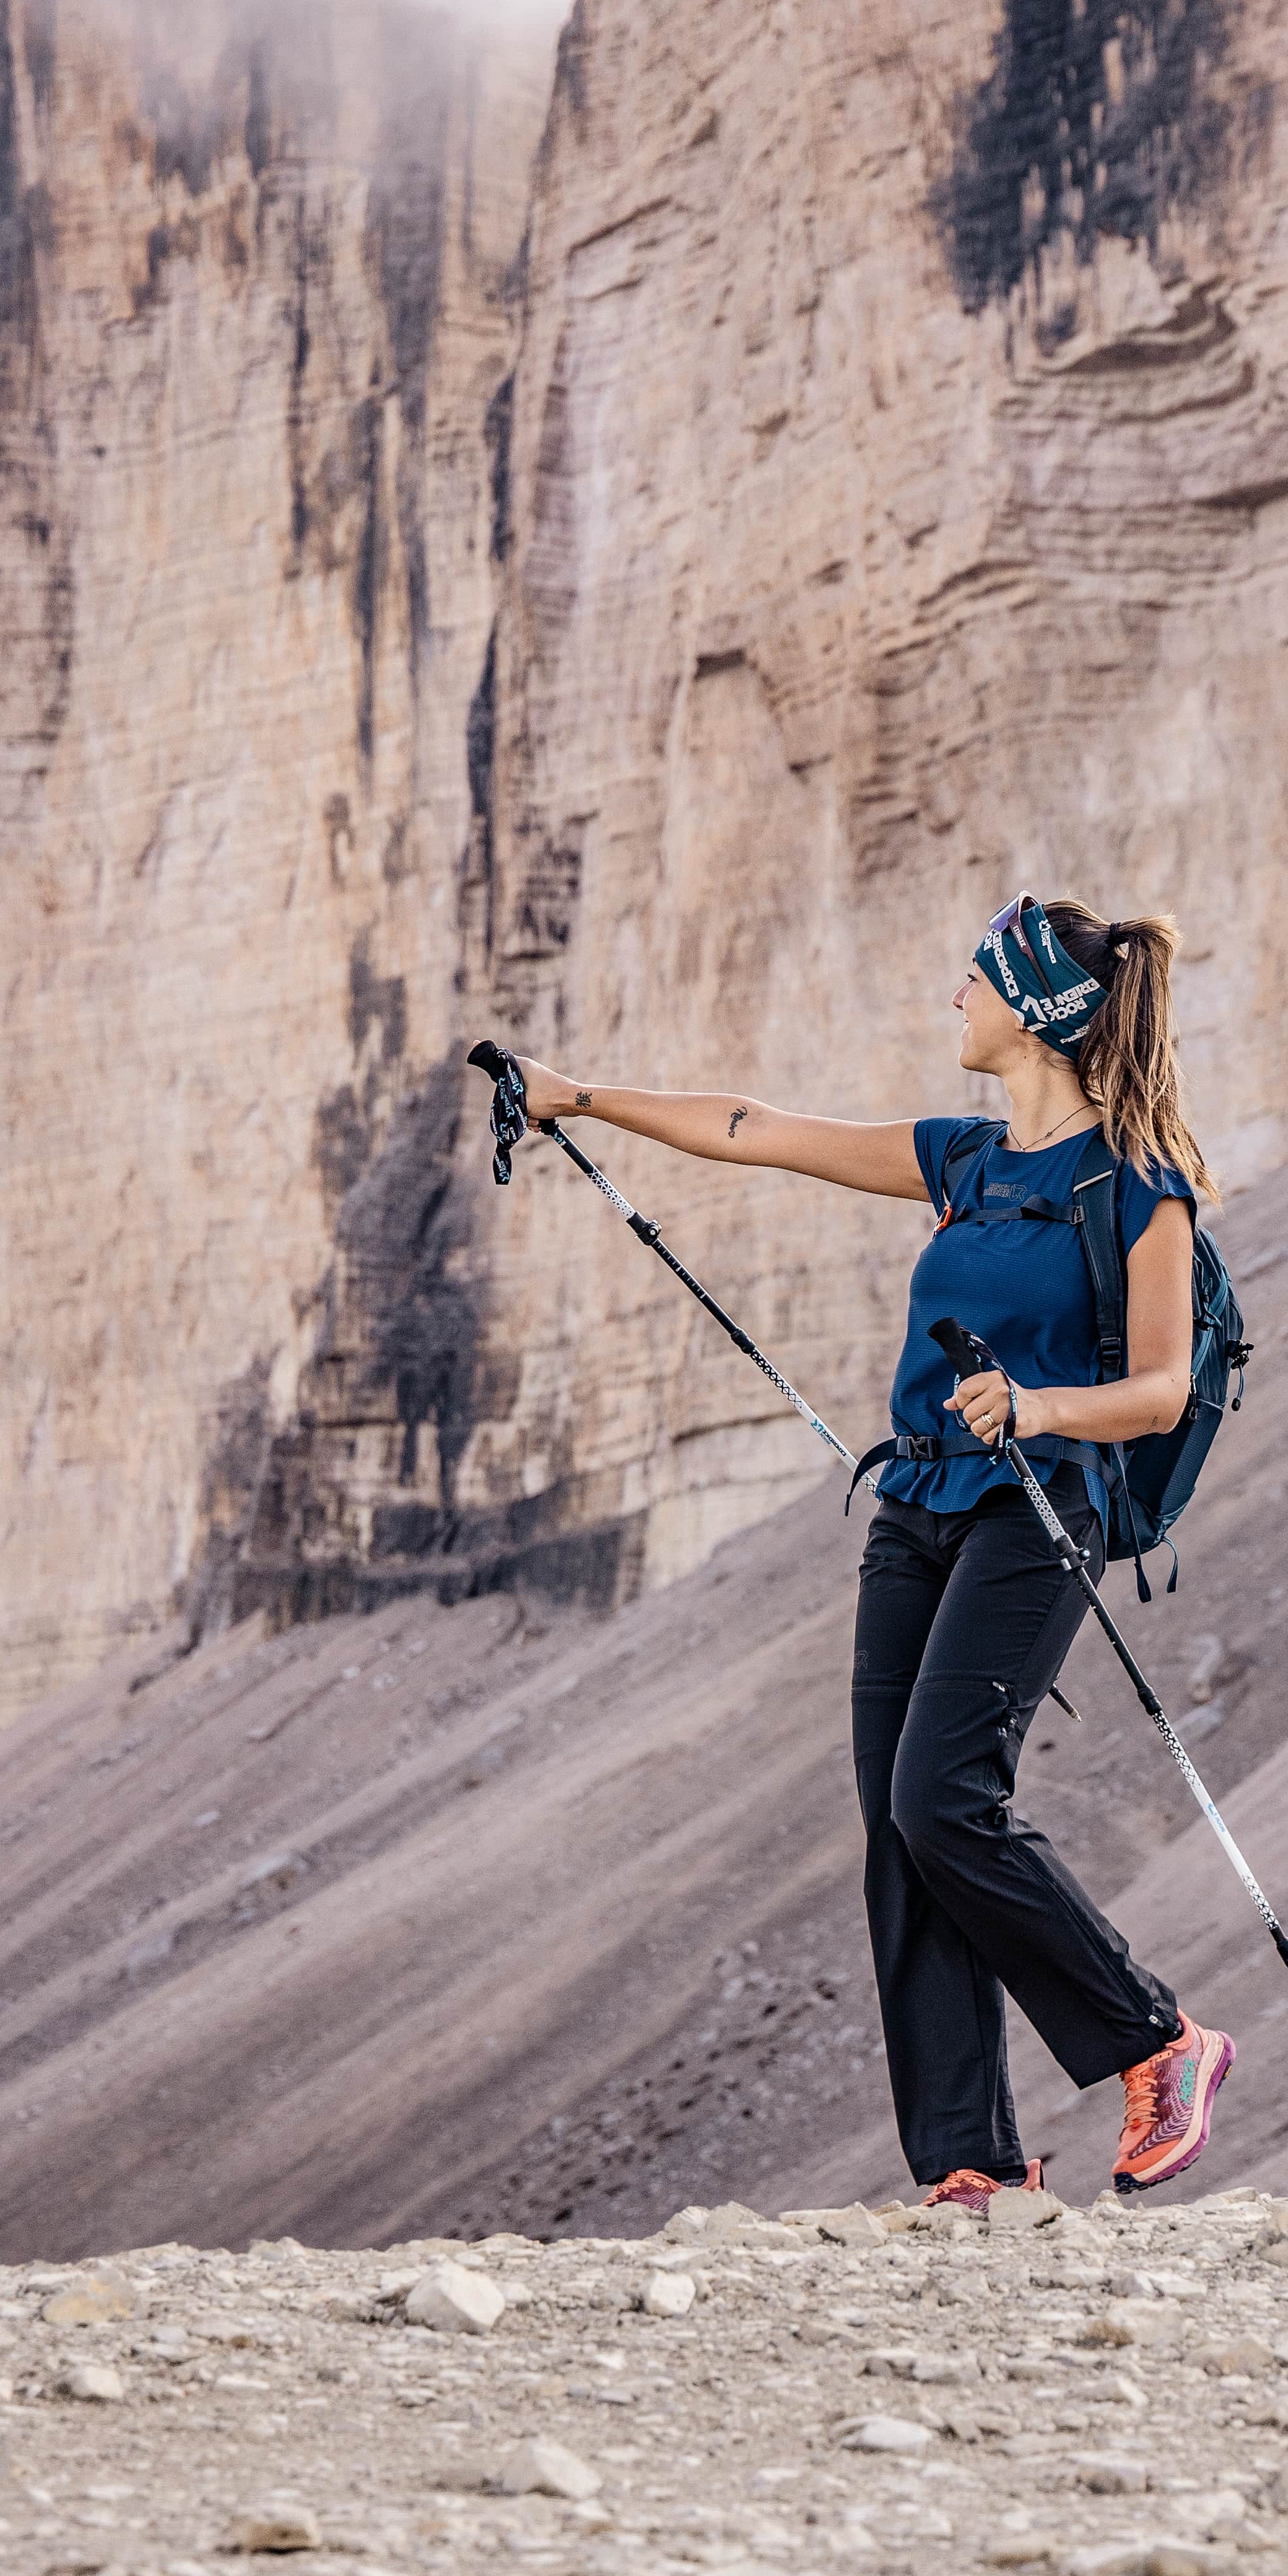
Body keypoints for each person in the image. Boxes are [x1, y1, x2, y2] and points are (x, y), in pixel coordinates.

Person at [499, 894, 1234, 2209]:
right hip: (914, 1510)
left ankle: (1159, 2045)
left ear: (1037, 1012)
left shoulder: (1138, 1185)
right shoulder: (964, 1158)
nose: (955, 999)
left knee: (944, 1799)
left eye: (974, 981)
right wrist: (581, 1098)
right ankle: (970, 2163)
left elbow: (1169, 1390)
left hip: (1038, 1507)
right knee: (897, 1832)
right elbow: (759, 1131)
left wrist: (1041, 1406)